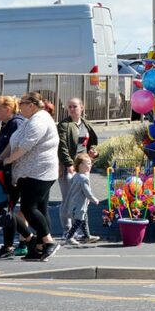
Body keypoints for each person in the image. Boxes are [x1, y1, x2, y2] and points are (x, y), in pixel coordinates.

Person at [0, 92, 60, 261]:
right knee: (41, 210)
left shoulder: (39, 120)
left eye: (22, 103)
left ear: (31, 105)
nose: (19, 105)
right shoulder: (30, 120)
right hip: (32, 172)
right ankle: (38, 249)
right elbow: (13, 142)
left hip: (38, 172)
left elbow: (25, 146)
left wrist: (7, 161)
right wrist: (1, 157)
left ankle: (49, 242)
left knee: (28, 209)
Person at [0, 96, 32, 257]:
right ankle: (9, 245)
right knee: (7, 209)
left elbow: (15, 147)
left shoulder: (16, 123)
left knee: (8, 209)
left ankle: (21, 241)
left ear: (7, 109)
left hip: (12, 173)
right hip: (4, 171)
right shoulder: (7, 124)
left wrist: (1, 160)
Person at [57, 98, 99, 234]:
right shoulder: (64, 125)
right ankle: (67, 229)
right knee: (68, 198)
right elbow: (62, 146)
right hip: (68, 166)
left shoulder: (86, 124)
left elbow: (92, 141)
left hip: (83, 166)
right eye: (69, 107)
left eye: (75, 106)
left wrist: (93, 150)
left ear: (82, 107)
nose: (72, 109)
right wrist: (69, 163)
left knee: (83, 199)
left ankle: (81, 230)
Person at [62, 154, 100, 245]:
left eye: (91, 163)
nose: (90, 165)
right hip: (79, 205)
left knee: (84, 219)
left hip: (75, 203)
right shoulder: (84, 179)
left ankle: (87, 236)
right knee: (79, 221)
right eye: (88, 163)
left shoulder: (76, 176)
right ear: (80, 165)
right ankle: (69, 237)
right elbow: (87, 192)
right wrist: (94, 199)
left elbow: (72, 184)